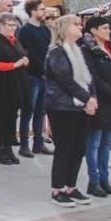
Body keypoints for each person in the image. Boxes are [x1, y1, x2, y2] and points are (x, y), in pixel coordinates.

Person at [44, 14, 96, 207]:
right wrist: (87, 98)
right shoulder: (56, 52)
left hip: (80, 106)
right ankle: (57, 189)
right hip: (62, 106)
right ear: (64, 28)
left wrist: (93, 98)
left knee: (78, 148)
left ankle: (70, 186)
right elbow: (66, 80)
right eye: (76, 25)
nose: (80, 27)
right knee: (64, 149)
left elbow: (89, 77)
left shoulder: (79, 50)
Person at [81, 16, 111, 198]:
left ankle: (105, 180)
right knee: (94, 144)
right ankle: (94, 181)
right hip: (99, 100)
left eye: (109, 28)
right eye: (105, 28)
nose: (109, 31)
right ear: (94, 30)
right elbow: (93, 77)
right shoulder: (87, 50)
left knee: (107, 143)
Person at [0, 13, 29, 165]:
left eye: (14, 25)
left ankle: (9, 149)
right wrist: (15, 65)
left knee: (12, 118)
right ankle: (1, 150)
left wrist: (24, 60)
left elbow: (21, 54)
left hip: (16, 84)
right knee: (2, 118)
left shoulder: (14, 40)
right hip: (2, 86)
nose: (13, 28)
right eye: (9, 25)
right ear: (1, 26)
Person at [18, 0, 50, 157]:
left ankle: (39, 143)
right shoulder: (24, 31)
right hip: (32, 76)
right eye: (41, 9)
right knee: (27, 111)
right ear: (32, 11)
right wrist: (41, 70)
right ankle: (24, 145)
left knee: (40, 112)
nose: (44, 12)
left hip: (45, 76)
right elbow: (28, 53)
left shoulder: (45, 30)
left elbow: (48, 52)